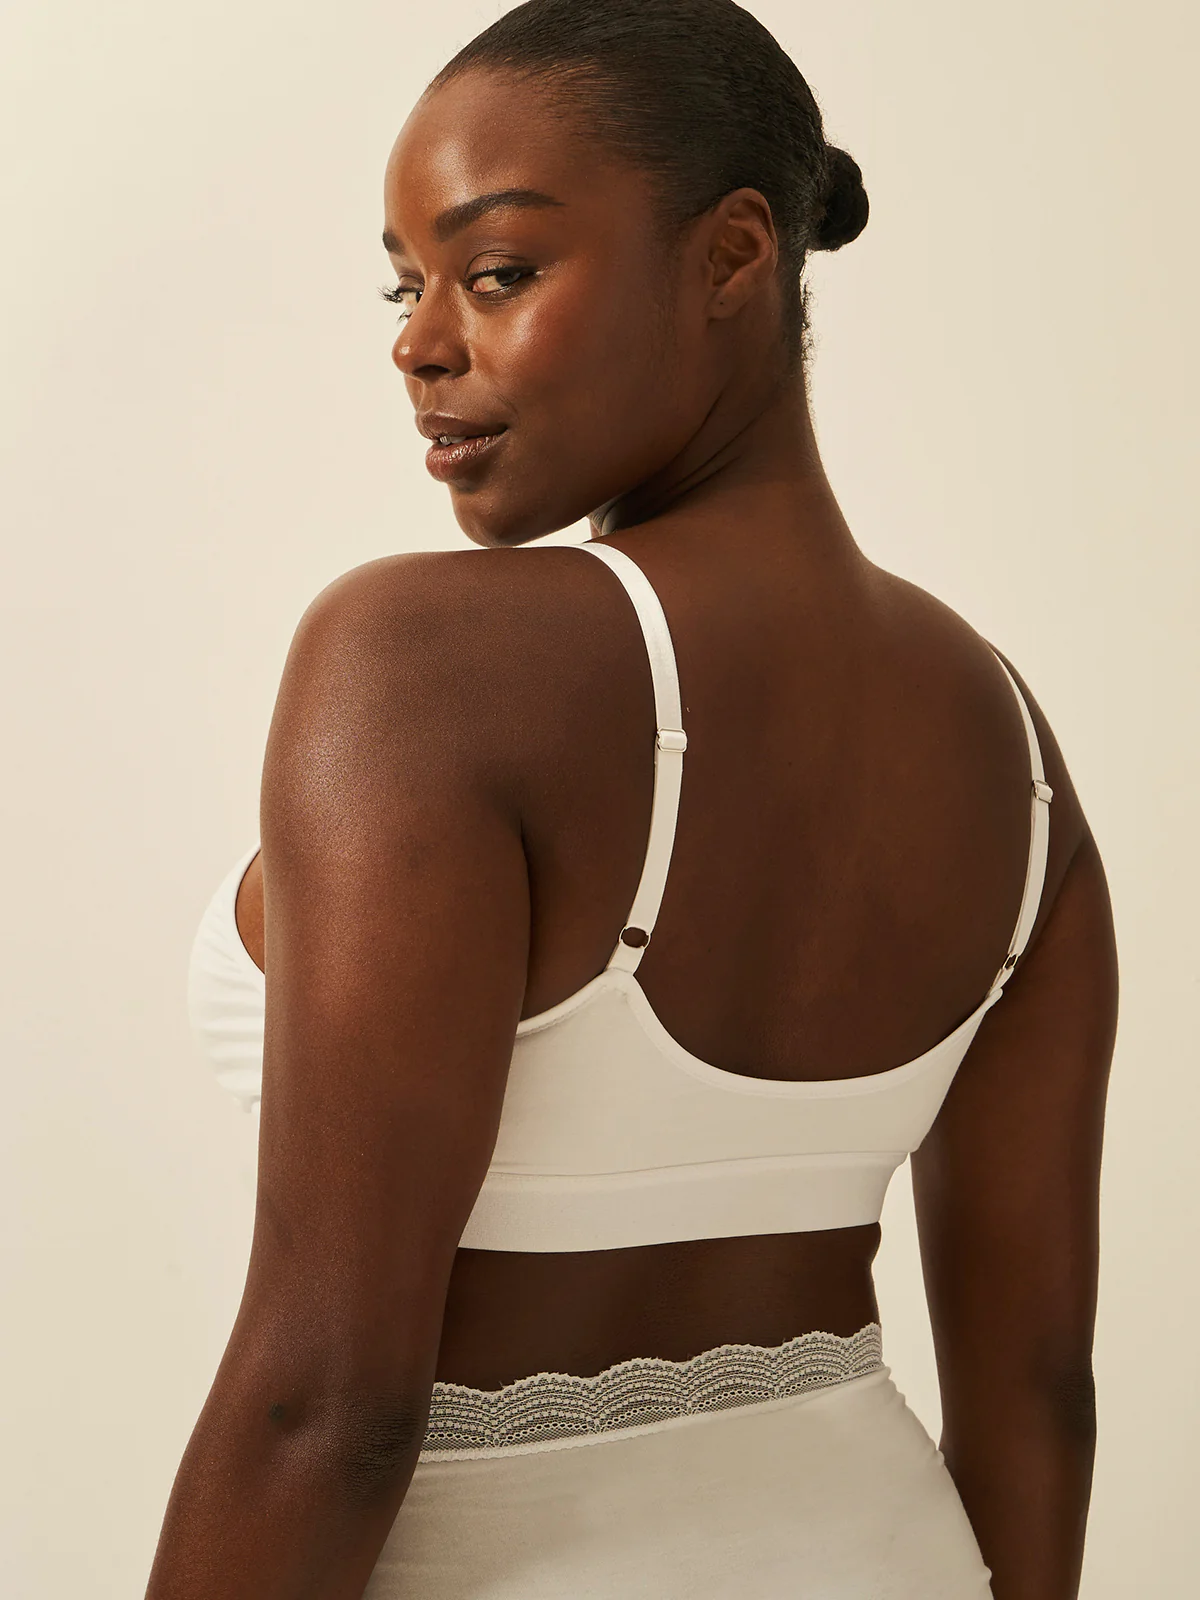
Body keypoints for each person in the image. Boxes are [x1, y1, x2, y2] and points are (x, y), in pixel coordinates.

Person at [150, 2, 1117, 1595]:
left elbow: (325, 1410)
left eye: (495, 272)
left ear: (734, 256)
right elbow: (1036, 1400)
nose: (417, 343)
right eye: (405, 286)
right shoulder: (1006, 737)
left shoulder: (422, 662)